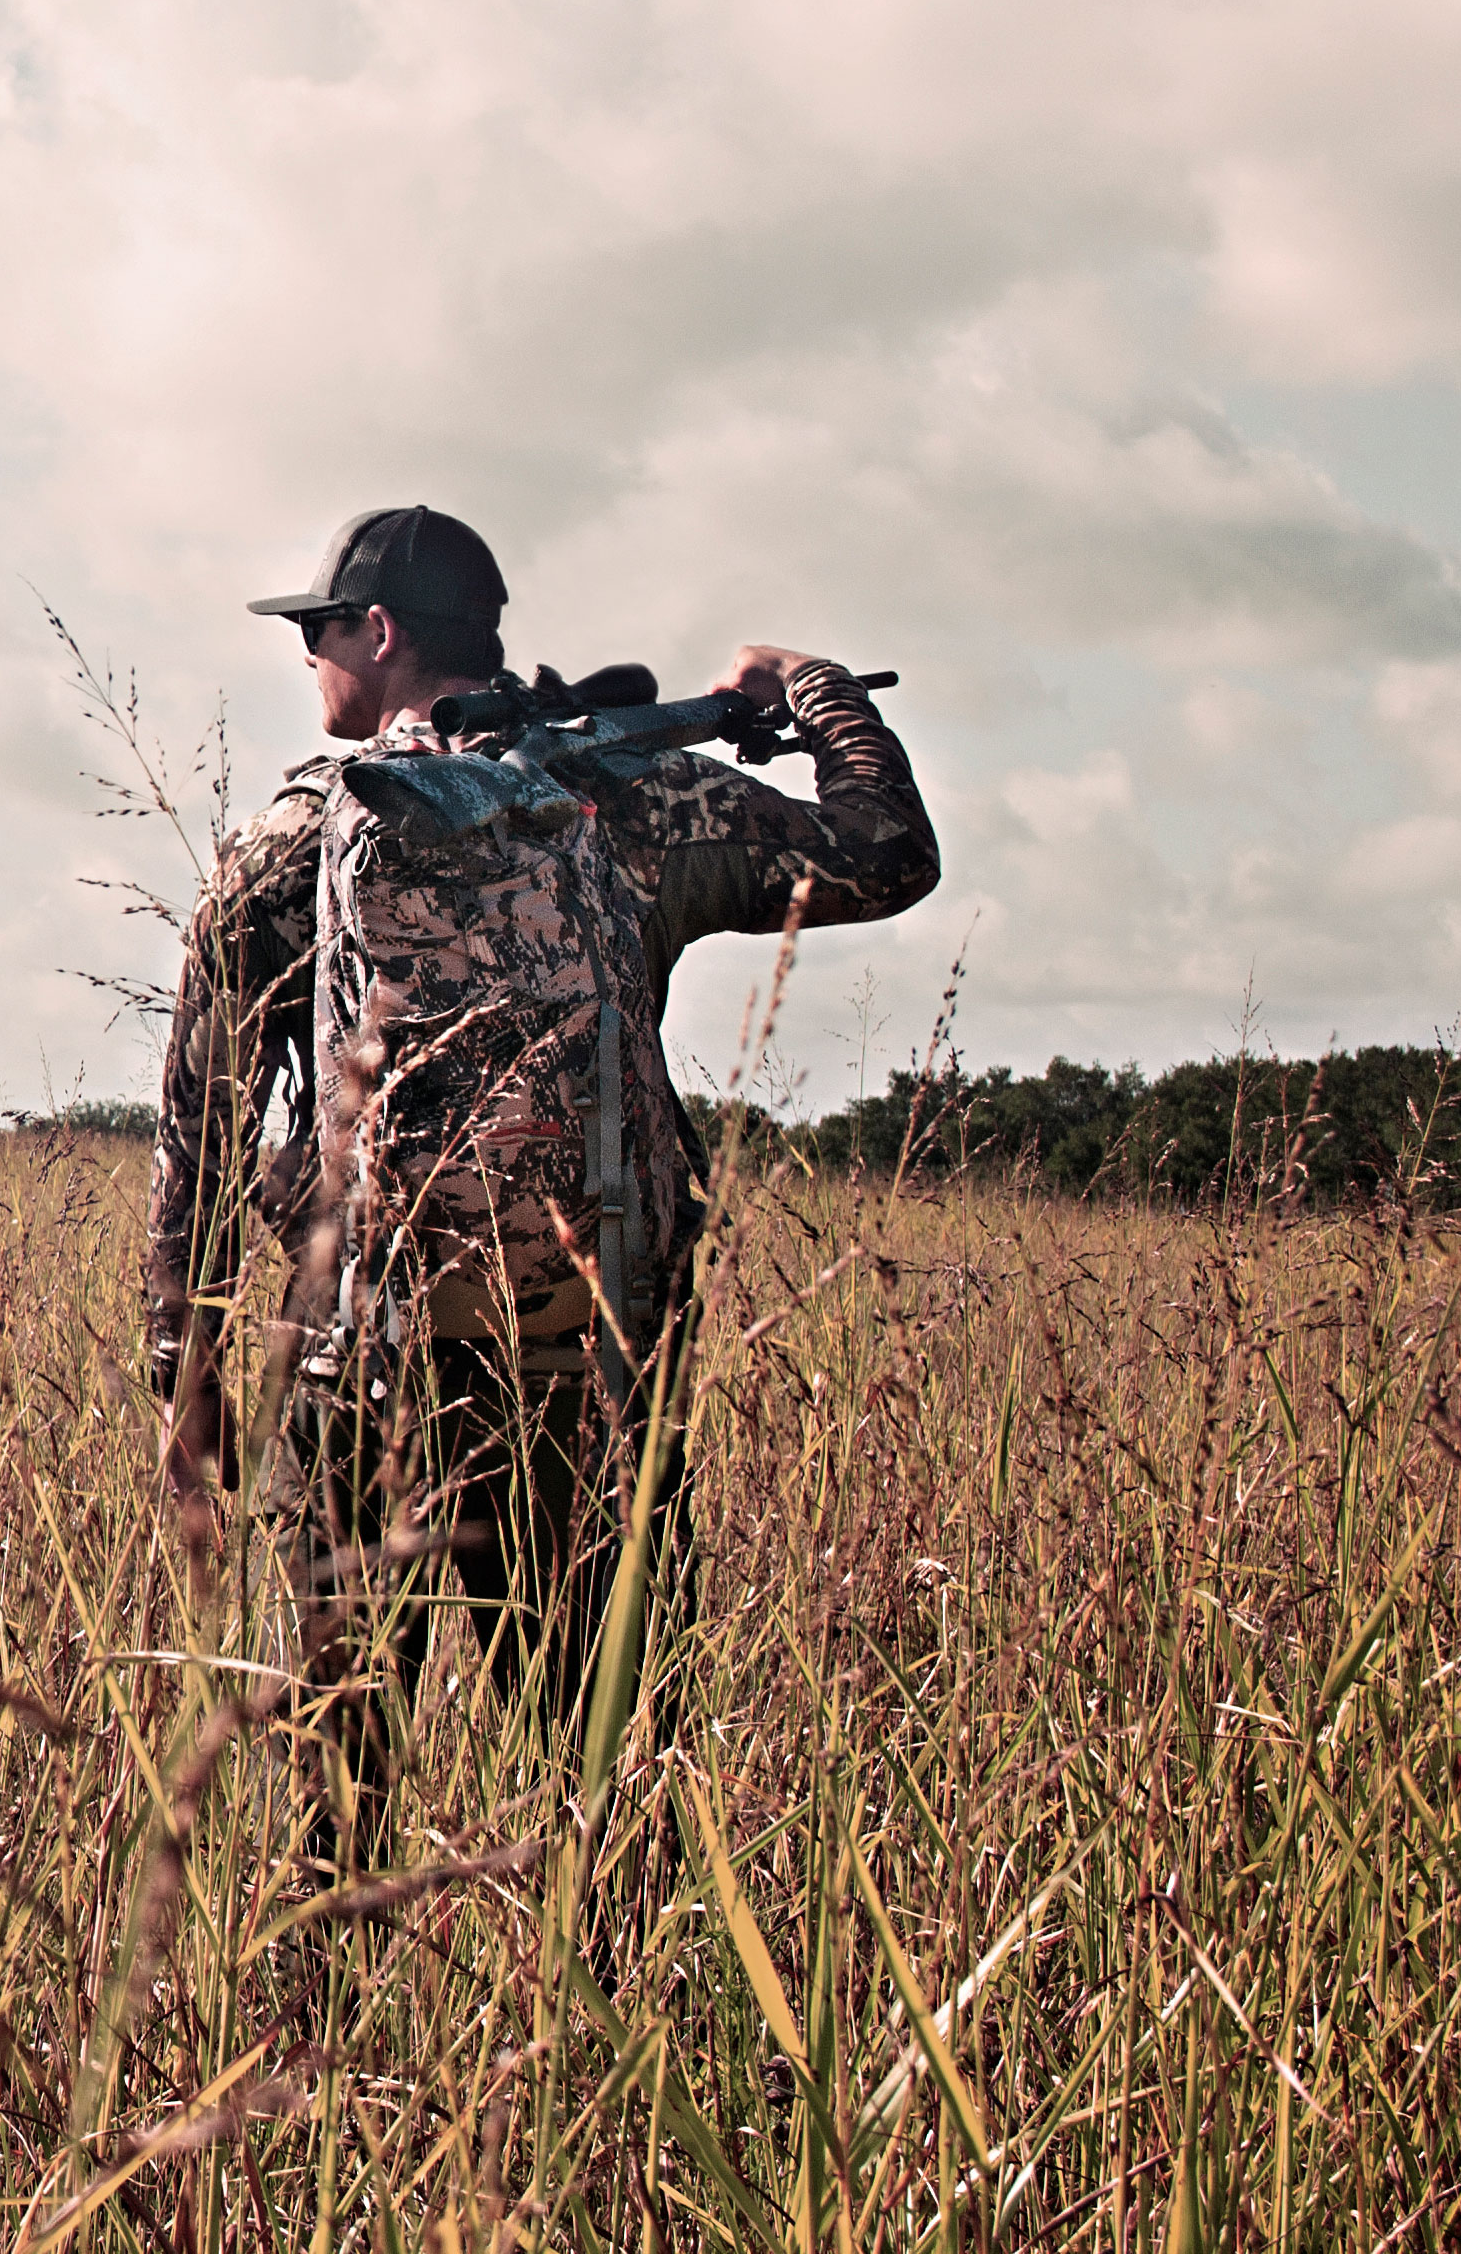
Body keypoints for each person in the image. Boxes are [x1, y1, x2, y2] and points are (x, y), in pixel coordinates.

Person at [147, 506, 937, 1870]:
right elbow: (887, 853)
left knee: (335, 1782)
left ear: (378, 633)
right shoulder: (634, 802)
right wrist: (808, 688)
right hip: (589, 1356)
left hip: (361, 1366)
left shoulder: (290, 840)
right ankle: (614, 1979)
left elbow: (201, 1122)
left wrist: (187, 1367)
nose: (308, 657)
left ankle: (318, 1989)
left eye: (318, 629)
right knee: (610, 1761)